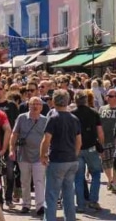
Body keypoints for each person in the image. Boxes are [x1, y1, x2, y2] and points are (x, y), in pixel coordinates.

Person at [39, 89, 81, 221]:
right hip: (71, 160)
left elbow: (46, 139)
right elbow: (79, 141)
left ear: (54, 101)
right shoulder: (74, 118)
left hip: (57, 159)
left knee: (51, 195)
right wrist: (74, 155)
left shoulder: (53, 117)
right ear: (68, 101)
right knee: (68, 194)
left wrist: (43, 155)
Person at [10, 96, 48, 216]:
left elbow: (48, 138)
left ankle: (40, 206)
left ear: (41, 107)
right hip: (23, 155)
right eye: (33, 104)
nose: (35, 106)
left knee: (39, 181)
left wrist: (47, 153)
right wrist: (12, 150)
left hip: (39, 156)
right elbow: (14, 134)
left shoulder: (45, 120)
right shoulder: (21, 118)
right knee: (25, 181)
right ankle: (26, 204)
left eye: (38, 104)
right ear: (28, 105)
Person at [70, 90, 104, 212]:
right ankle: (93, 201)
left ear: (75, 100)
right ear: (86, 100)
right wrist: (101, 146)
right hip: (91, 148)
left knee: (78, 177)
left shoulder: (71, 114)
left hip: (76, 149)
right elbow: (100, 132)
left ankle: (80, 205)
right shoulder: (93, 113)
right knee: (96, 174)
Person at [99, 88, 116, 192]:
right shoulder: (102, 108)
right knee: (105, 162)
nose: (108, 98)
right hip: (104, 139)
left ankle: (115, 182)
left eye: (111, 96)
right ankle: (110, 180)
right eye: (107, 95)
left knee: (115, 162)